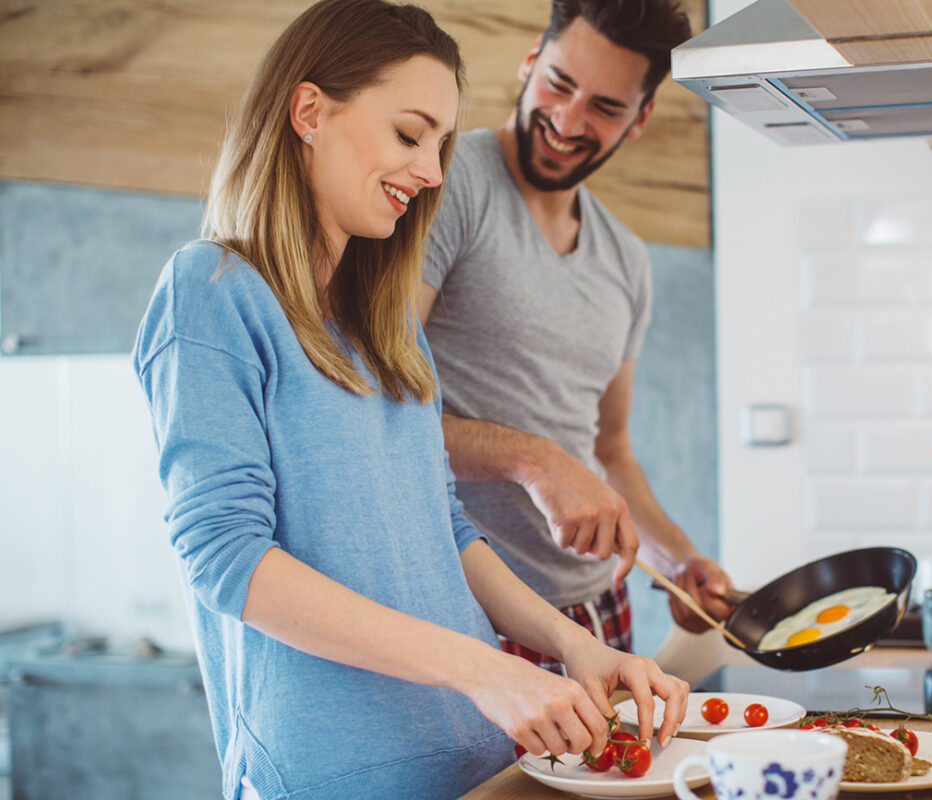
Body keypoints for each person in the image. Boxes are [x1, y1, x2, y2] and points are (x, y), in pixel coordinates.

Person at [131, 2, 687, 798]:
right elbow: (228, 560)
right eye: (409, 134)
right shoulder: (212, 294)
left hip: (476, 761)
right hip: (333, 777)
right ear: (310, 111)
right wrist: (483, 669)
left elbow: (445, 528)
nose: (431, 171)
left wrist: (576, 647)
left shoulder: (387, 328)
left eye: (440, 144)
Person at [419, 0, 734, 672]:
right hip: (472, 612)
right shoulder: (448, 186)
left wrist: (677, 560)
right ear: (532, 59)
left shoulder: (626, 260)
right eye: (560, 84)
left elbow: (609, 450)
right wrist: (531, 458)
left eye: (604, 107)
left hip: (601, 613)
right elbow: (372, 410)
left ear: (640, 117)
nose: (566, 121)